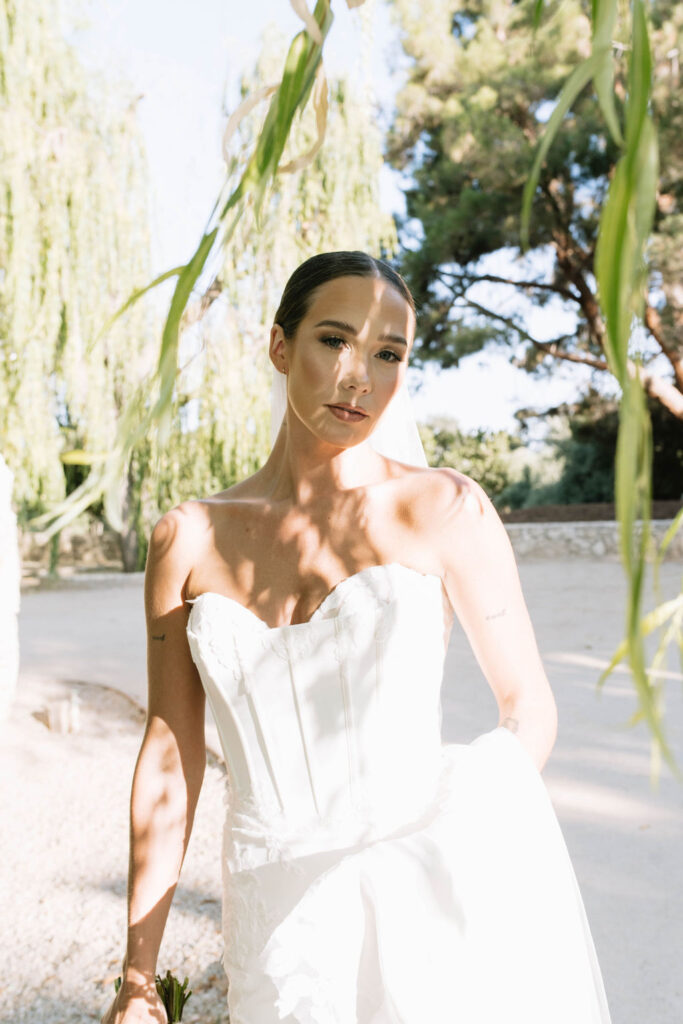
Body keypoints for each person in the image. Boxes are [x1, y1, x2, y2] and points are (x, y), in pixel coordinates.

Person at [102, 251, 612, 1024]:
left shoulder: (441, 508)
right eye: (334, 341)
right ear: (280, 347)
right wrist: (138, 978)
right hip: (273, 909)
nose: (359, 377)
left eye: (387, 354)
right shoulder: (188, 539)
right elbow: (171, 753)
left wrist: (446, 839)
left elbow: (527, 707)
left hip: (424, 891)